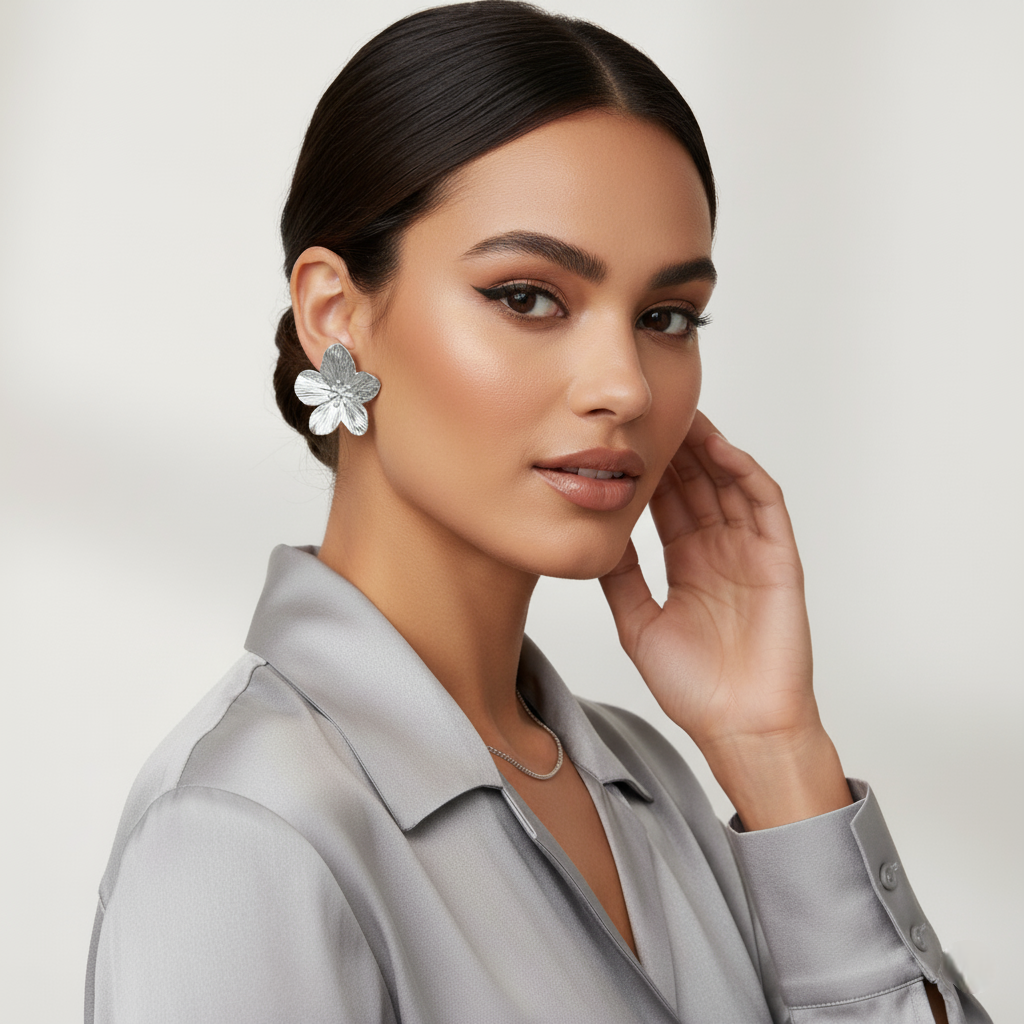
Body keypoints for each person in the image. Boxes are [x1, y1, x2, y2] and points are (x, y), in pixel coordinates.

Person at [84, 3, 991, 1022]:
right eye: (526, 295)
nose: (625, 387)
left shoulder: (651, 784)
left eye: (665, 317)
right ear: (338, 316)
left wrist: (775, 748)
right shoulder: (247, 827)